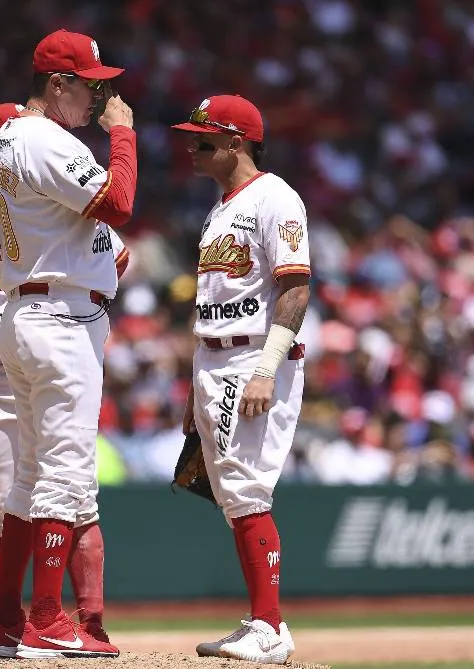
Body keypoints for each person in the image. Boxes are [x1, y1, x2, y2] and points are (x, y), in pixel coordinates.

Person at [0, 29, 136, 659]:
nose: (98, 100)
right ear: (57, 83)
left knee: (30, 479)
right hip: (61, 319)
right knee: (64, 475)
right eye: (91, 87)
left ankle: (4, 618)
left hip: (25, 310)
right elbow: (118, 202)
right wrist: (123, 134)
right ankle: (45, 617)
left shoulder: (3, 143)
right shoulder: (44, 138)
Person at [172, 95, 310, 663]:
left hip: (252, 354)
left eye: (203, 141)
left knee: (247, 487)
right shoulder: (221, 208)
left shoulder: (277, 198)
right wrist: (192, 383)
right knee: (232, 491)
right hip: (214, 355)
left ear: (236, 142)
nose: (192, 149)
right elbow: (213, 299)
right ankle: (260, 619)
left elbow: (296, 288)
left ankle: (270, 627)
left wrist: (265, 370)